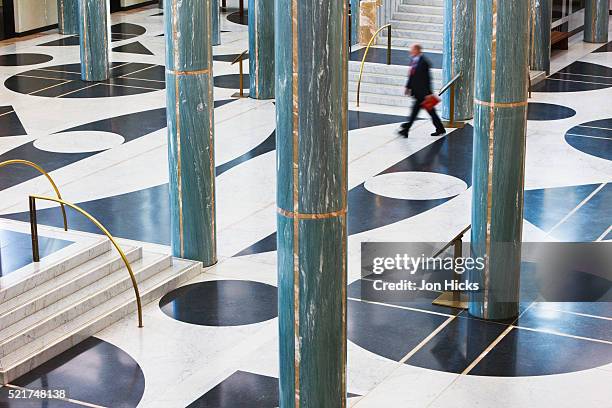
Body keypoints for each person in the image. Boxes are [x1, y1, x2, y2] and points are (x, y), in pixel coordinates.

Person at [399, 44, 446, 138]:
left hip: (423, 94)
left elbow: (427, 79)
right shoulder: (414, 60)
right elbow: (411, 76)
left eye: (412, 49)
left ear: (417, 50)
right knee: (428, 112)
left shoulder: (424, 62)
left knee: (419, 112)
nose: (410, 51)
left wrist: (428, 94)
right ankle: (440, 128)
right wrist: (408, 87)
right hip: (418, 93)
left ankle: (406, 129)